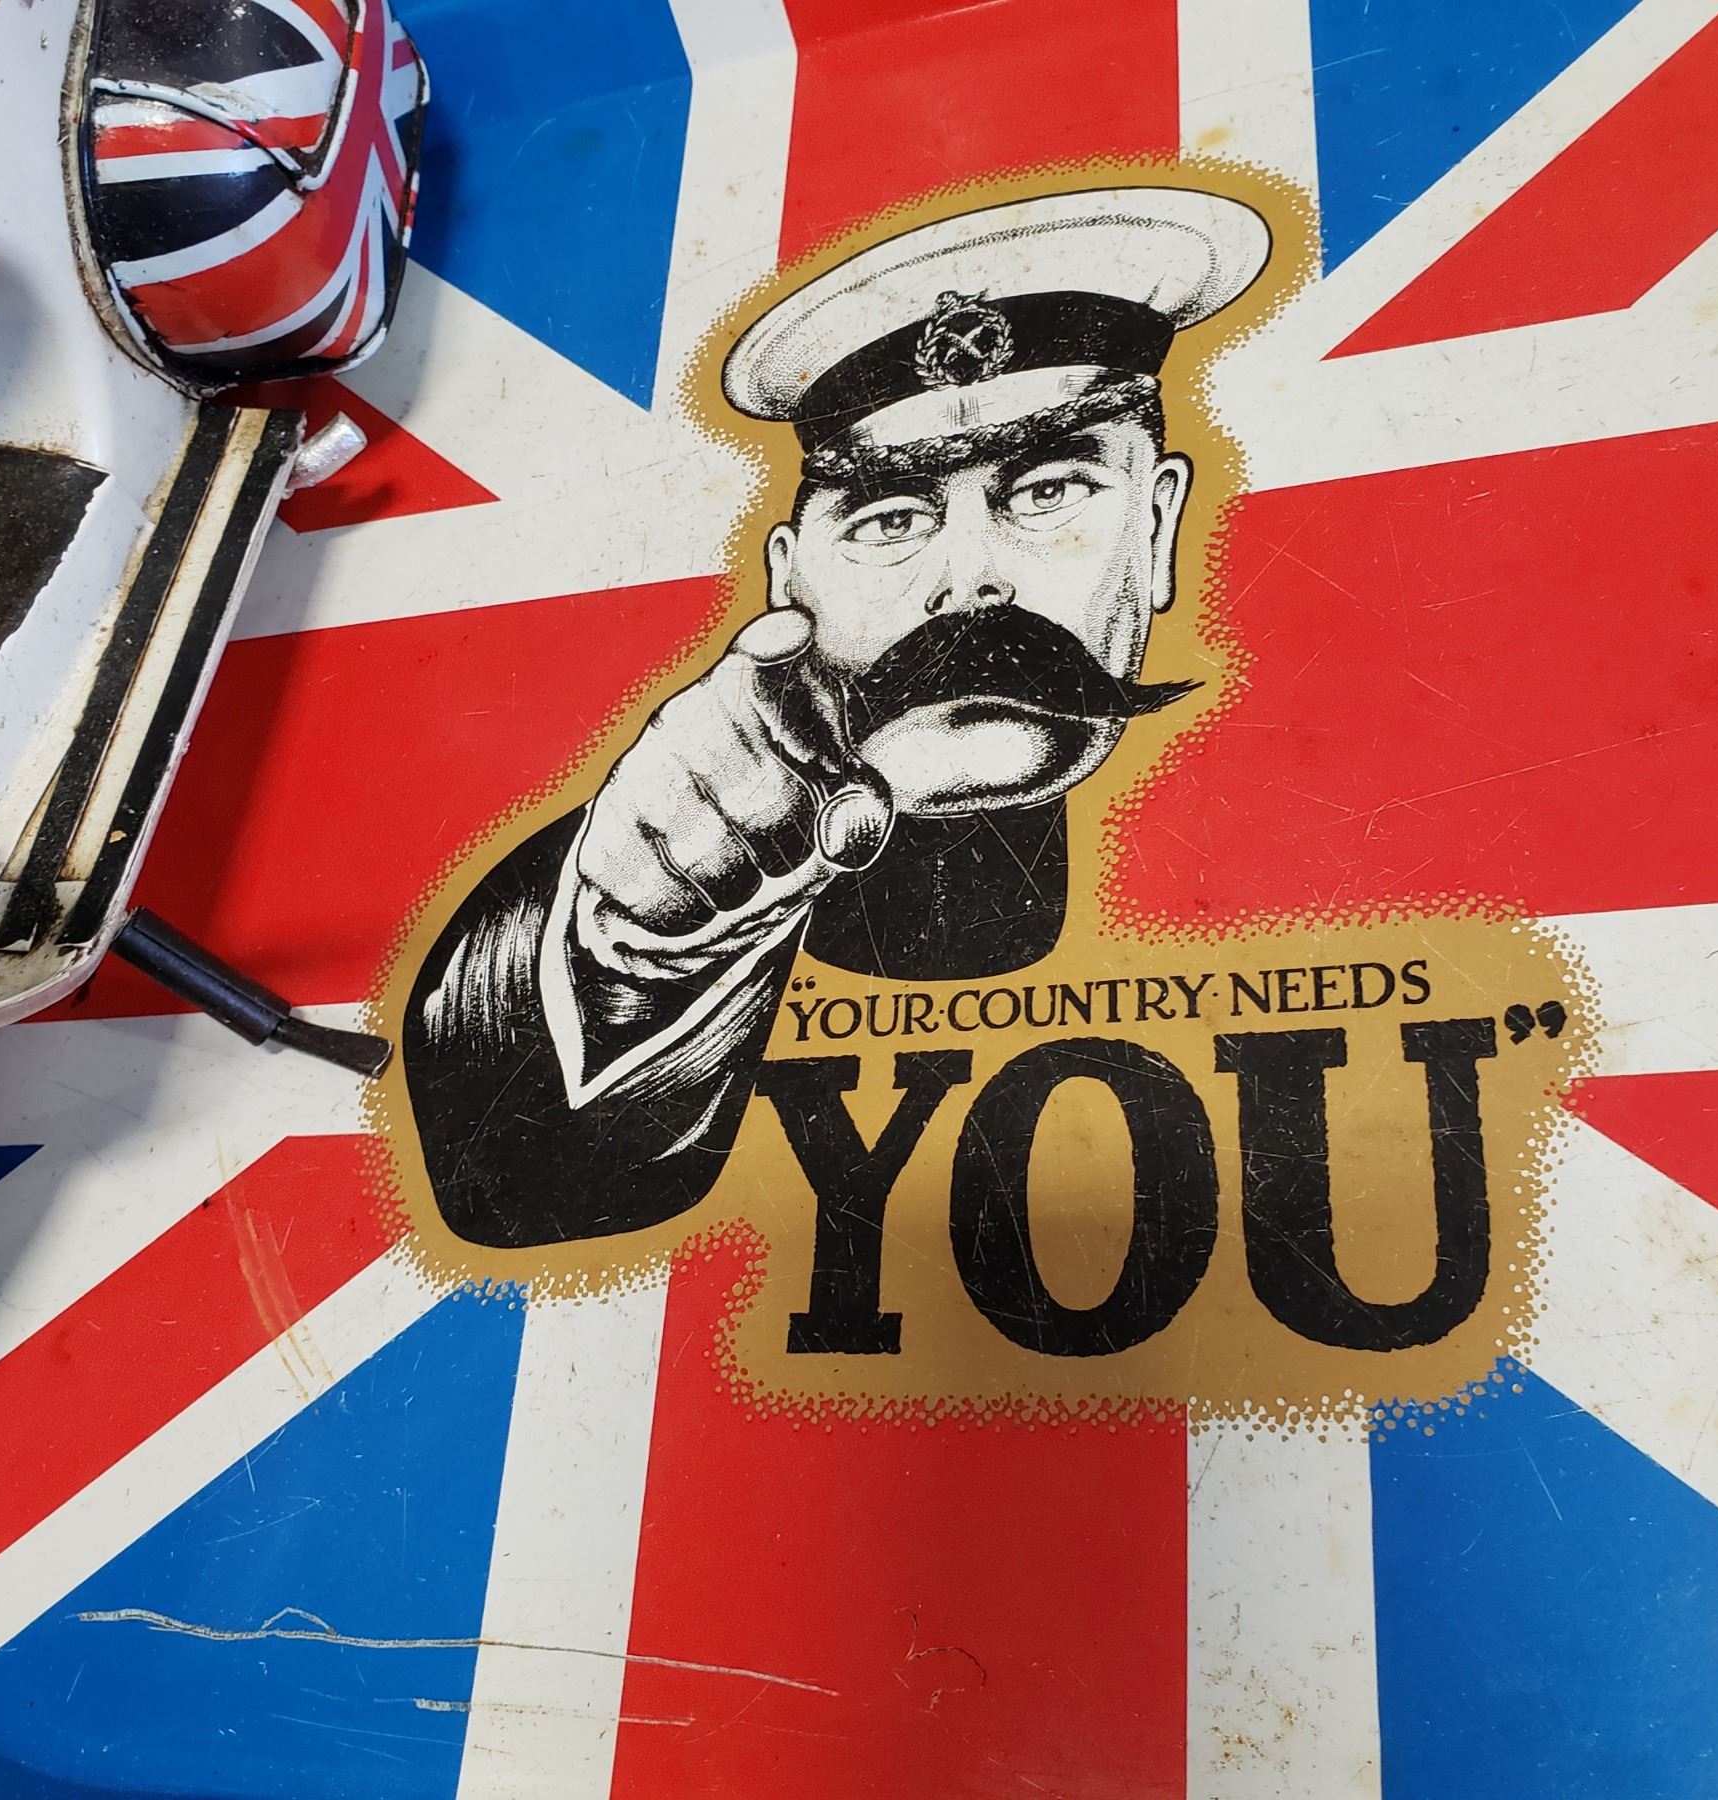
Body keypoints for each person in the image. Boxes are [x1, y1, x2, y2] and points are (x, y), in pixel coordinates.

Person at [403, 187, 1271, 1249]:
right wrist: (630, 954)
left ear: (1160, 522)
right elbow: (519, 1178)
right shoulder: (656, 852)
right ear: (788, 584)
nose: (970, 581)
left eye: (1048, 491)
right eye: (891, 518)